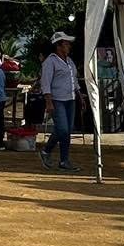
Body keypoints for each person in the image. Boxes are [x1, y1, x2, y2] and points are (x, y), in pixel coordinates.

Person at [39, 30, 79, 172]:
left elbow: (74, 80)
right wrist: (48, 101)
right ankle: (61, 158)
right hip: (57, 100)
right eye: (66, 44)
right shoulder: (50, 62)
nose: (69, 46)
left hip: (70, 99)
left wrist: (79, 95)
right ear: (59, 46)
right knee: (63, 129)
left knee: (65, 129)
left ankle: (51, 154)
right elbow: (45, 83)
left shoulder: (69, 61)